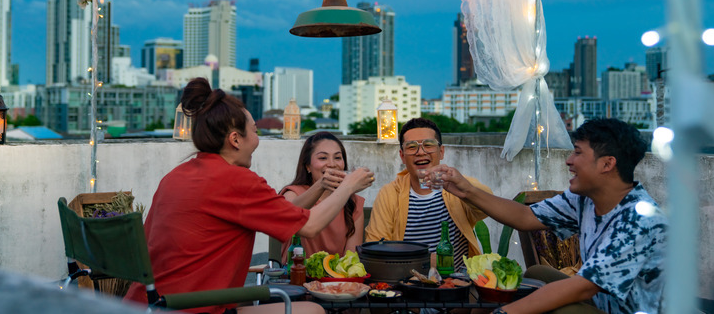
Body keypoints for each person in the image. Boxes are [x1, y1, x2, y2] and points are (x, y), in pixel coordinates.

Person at [124, 78, 373, 314]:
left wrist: (325, 188)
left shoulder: (174, 177)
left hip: (144, 305)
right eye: (255, 131)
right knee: (312, 310)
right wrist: (348, 185)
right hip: (192, 307)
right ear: (235, 139)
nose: (258, 139)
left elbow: (293, 215)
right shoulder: (237, 181)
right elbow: (309, 225)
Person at [435, 118, 667, 314]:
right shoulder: (584, 199)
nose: (569, 160)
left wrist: (504, 313)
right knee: (536, 274)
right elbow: (525, 217)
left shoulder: (639, 219)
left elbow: (584, 287)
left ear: (607, 164)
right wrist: (466, 190)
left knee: (558, 308)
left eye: (577, 152)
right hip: (602, 302)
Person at [365, 117, 491, 267]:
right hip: (409, 283)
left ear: (441, 151)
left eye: (428, 145)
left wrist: (464, 187)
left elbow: (486, 207)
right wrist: (422, 262)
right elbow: (376, 248)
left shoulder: (458, 187)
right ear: (402, 156)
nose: (420, 152)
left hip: (457, 282)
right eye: (412, 147)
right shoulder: (389, 194)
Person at [279, 132, 367, 262]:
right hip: (297, 277)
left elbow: (350, 259)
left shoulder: (354, 203)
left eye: (337, 158)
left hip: (337, 279)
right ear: (307, 166)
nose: (332, 164)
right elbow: (287, 216)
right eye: (323, 158)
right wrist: (322, 184)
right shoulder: (292, 193)